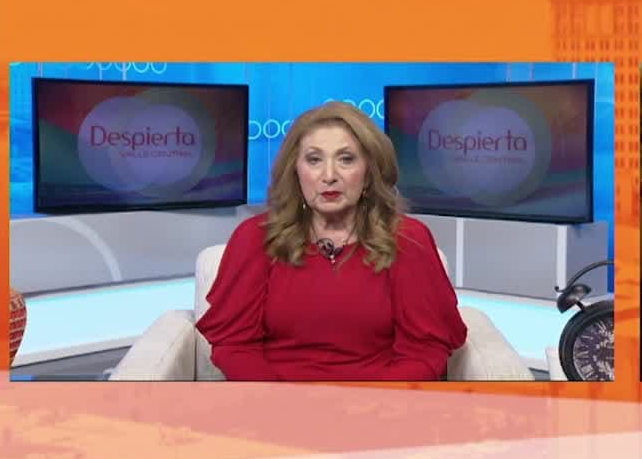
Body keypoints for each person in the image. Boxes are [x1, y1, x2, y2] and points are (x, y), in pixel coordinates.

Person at [196, 101, 467, 381]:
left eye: (346, 159)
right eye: (314, 160)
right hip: (276, 398)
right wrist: (278, 398)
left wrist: (374, 401)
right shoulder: (255, 238)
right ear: (295, 171)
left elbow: (424, 351)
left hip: (379, 398)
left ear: (369, 173)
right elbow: (235, 347)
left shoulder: (409, 240)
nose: (329, 176)